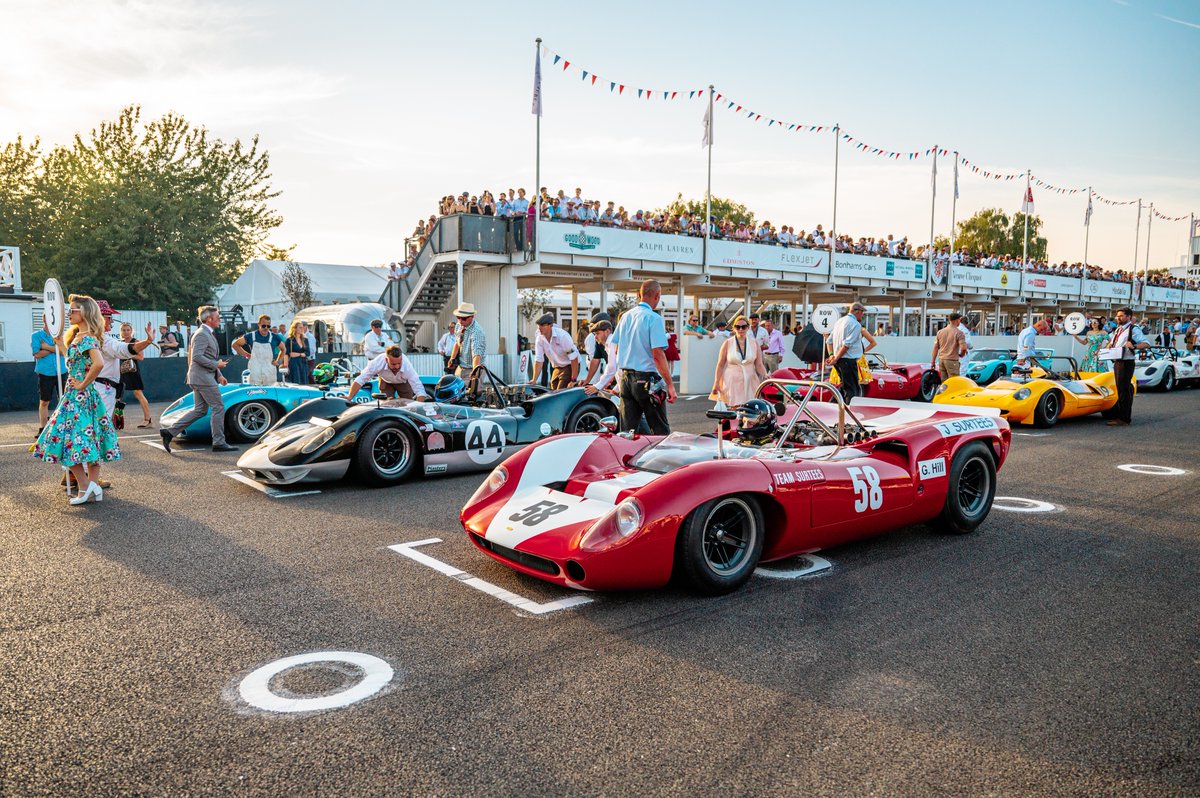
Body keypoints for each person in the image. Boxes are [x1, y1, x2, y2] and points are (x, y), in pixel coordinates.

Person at [33, 295, 121, 505]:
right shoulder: (80, 337)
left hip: (79, 397)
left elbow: (98, 363)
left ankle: (85, 487)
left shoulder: (87, 337)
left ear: (85, 313)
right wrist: (61, 346)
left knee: (65, 440)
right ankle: (91, 486)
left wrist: (82, 384)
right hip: (79, 397)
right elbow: (74, 361)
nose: (69, 314)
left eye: (73, 310)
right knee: (85, 441)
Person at [160, 305, 237, 453]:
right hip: (202, 378)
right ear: (209, 319)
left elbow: (207, 356)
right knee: (218, 407)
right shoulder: (202, 334)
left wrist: (219, 375)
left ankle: (169, 432)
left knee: (200, 410)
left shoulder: (205, 333)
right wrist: (217, 364)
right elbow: (197, 357)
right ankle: (219, 442)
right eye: (218, 317)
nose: (220, 319)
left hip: (201, 377)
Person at [610, 279, 677, 434]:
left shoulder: (626, 316)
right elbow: (658, 355)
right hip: (647, 378)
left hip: (626, 379)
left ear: (640, 294)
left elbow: (617, 347)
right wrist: (670, 385)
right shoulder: (654, 318)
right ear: (657, 295)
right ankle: (659, 457)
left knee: (627, 431)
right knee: (660, 430)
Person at [1105, 306, 1150, 427]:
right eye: (1117, 316)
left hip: (1126, 362)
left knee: (1123, 390)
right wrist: (1110, 344)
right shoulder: (1118, 329)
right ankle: (1122, 416)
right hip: (1117, 361)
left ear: (1129, 317)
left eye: (1121, 316)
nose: (1118, 318)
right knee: (1122, 389)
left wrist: (1134, 346)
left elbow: (1146, 343)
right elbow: (1114, 342)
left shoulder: (1133, 329)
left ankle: (1124, 418)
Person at [710, 315, 768, 407]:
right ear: (734, 328)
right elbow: (720, 364)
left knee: (751, 410)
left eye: (743, 327)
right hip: (732, 381)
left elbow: (759, 364)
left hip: (750, 381)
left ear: (748, 327)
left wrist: (766, 375)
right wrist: (716, 383)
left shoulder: (754, 343)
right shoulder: (728, 343)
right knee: (735, 409)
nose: (740, 329)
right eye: (738, 327)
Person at [346, 345, 430, 402]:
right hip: (385, 382)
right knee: (386, 405)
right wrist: (349, 397)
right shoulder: (378, 362)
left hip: (403, 382)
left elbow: (419, 389)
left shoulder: (407, 366)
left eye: (399, 364)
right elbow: (361, 379)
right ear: (386, 360)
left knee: (408, 405)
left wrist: (419, 407)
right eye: (393, 364)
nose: (397, 367)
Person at [31, 315, 67, 439]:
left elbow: (65, 352)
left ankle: (63, 426)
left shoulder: (62, 336)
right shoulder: (36, 335)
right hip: (45, 372)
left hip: (62, 371)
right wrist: (55, 348)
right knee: (44, 401)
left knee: (63, 400)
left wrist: (46, 347)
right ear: (44, 320)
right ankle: (43, 428)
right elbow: (36, 354)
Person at [825, 302, 868, 402]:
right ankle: (848, 414)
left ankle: (832, 407)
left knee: (844, 387)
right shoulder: (855, 324)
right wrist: (835, 358)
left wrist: (832, 355)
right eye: (862, 312)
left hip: (839, 360)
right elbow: (847, 345)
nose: (862, 315)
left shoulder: (839, 321)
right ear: (858, 312)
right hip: (847, 360)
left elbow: (829, 341)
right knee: (852, 390)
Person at [118, 322, 154, 427]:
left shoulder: (135, 342)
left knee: (138, 393)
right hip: (121, 370)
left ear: (131, 331)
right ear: (121, 331)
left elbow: (141, 357)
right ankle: (117, 420)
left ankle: (148, 419)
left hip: (133, 370)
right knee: (118, 396)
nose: (126, 332)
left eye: (128, 330)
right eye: (123, 330)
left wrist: (127, 353)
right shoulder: (120, 342)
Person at [531, 313, 580, 390]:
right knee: (552, 391)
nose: (540, 328)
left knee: (560, 392)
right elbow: (539, 360)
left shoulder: (562, 336)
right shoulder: (539, 338)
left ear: (550, 325)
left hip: (570, 365)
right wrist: (534, 380)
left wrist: (573, 380)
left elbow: (574, 359)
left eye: (543, 325)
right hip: (557, 367)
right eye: (538, 325)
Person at [232, 314, 284, 385]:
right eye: (263, 326)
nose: (266, 328)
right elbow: (235, 345)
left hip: (269, 370)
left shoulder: (274, 337)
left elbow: (283, 349)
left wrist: (278, 361)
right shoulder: (251, 336)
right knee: (254, 392)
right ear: (258, 324)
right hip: (255, 370)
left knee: (269, 393)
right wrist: (247, 355)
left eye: (268, 326)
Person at [448, 302, 486, 379]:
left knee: (471, 391)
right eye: (458, 317)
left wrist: (475, 373)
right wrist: (452, 358)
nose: (460, 320)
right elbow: (457, 343)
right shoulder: (459, 325)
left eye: (463, 318)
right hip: (460, 368)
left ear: (472, 317)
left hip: (472, 369)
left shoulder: (476, 332)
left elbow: (476, 354)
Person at [930, 312, 968, 381]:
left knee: (944, 383)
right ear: (956, 320)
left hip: (941, 360)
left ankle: (945, 392)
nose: (959, 321)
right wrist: (961, 355)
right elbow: (964, 348)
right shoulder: (959, 333)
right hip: (952, 361)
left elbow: (935, 348)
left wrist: (933, 361)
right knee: (954, 382)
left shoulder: (940, 332)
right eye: (959, 319)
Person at [581, 320, 614, 388]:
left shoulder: (612, 343)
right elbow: (596, 360)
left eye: (597, 333)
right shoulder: (606, 343)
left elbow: (612, 367)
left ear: (607, 331)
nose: (595, 337)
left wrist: (599, 385)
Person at [282, 320, 311, 385]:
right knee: (295, 382)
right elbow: (286, 354)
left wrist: (299, 354)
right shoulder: (289, 340)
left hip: (303, 364)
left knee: (304, 382)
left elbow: (308, 353)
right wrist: (286, 366)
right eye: (300, 327)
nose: (302, 329)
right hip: (294, 364)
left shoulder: (305, 339)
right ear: (295, 328)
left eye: (302, 327)